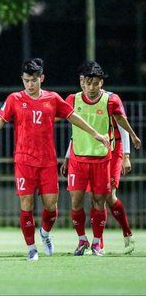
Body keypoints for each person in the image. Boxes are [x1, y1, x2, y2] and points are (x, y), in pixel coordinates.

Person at [0, 58, 109, 261]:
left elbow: (72, 116)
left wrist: (95, 133)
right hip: (24, 161)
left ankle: (45, 233)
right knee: (27, 203)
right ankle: (32, 248)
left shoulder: (52, 98)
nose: (30, 84)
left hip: (48, 161)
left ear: (41, 78)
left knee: (51, 208)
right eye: (26, 80)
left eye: (33, 80)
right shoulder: (15, 99)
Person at [61, 61, 141, 256]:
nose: (90, 87)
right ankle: (98, 243)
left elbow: (121, 125)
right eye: (86, 82)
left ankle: (125, 233)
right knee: (88, 198)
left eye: (95, 83)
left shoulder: (111, 100)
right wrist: (67, 156)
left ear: (101, 83)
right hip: (83, 154)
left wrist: (127, 155)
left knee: (107, 197)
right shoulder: (74, 100)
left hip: (111, 152)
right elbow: (76, 131)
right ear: (81, 82)